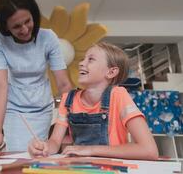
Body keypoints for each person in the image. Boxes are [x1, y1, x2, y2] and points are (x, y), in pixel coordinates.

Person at [28, 42, 159, 160]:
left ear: (111, 72)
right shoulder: (68, 99)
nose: (81, 63)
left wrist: (90, 150)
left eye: (90, 59)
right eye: (83, 59)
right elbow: (55, 143)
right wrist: (44, 147)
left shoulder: (118, 95)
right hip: (81, 167)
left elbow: (149, 150)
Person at [0, 0, 72, 151]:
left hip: (41, 107)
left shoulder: (48, 38)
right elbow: (0, 85)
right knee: (15, 152)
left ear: (33, 15)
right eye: (16, 26)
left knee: (37, 152)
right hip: (13, 107)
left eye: (28, 21)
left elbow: (64, 85)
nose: (25, 29)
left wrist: (71, 119)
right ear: (6, 27)